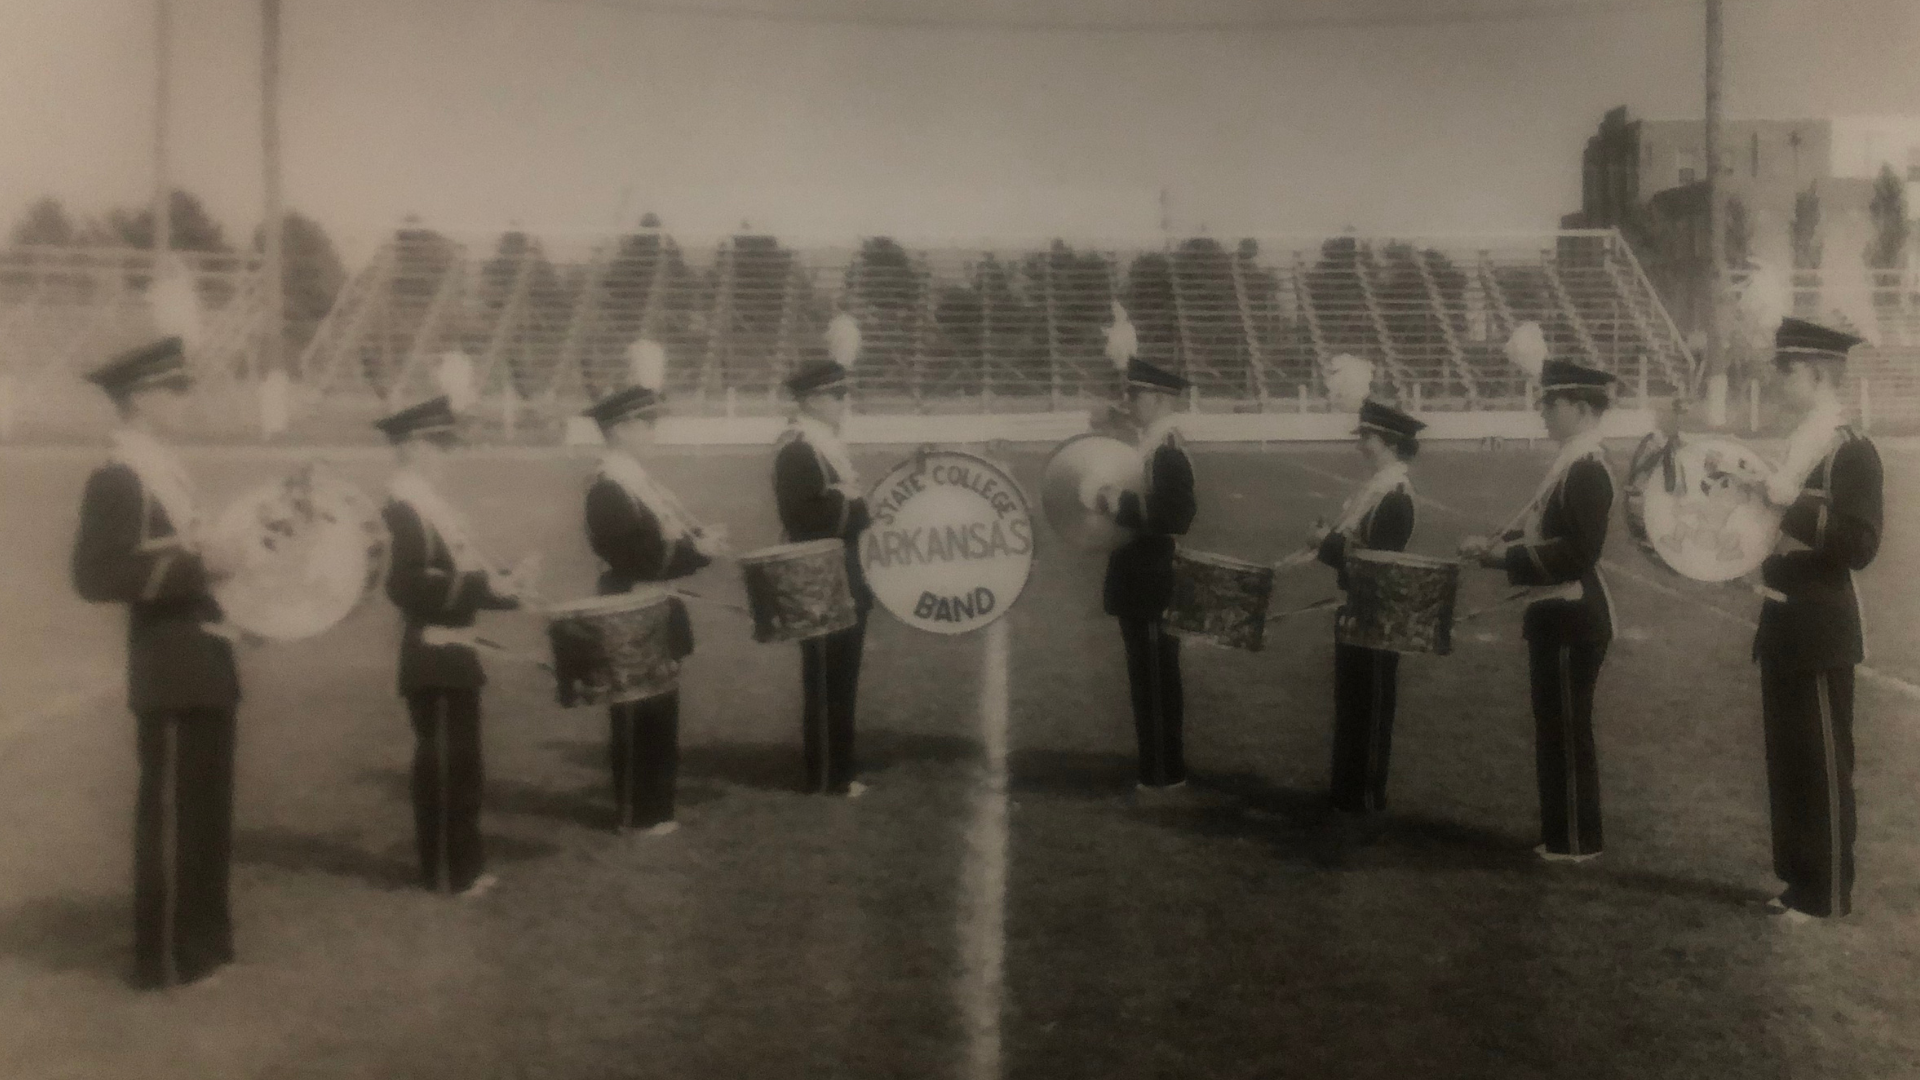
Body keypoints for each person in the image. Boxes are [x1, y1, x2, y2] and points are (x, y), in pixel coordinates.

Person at [70, 336, 245, 990]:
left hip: (205, 656)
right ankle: (169, 959)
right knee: (172, 816)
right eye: (173, 389)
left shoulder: (163, 467)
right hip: (167, 666)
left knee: (206, 812)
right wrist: (200, 566)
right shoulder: (117, 474)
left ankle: (207, 945)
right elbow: (93, 574)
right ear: (139, 398)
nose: (183, 400)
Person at [1460, 358, 1618, 863]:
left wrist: (1499, 557)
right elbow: (1539, 531)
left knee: (1568, 729)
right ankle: (1561, 836)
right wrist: (1494, 543)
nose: (1542, 412)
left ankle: (1576, 841)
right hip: (1556, 612)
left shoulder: (1588, 468)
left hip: (1574, 613)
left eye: (1550, 403)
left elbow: (1578, 552)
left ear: (1579, 407)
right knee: (1554, 726)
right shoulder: (1572, 462)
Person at [1753, 317, 1882, 923]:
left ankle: (1826, 893)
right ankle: (1797, 881)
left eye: (1787, 371)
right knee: (1789, 762)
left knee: (1824, 766)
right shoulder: (1803, 441)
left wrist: (1786, 504)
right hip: (1784, 619)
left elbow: (1858, 544)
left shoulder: (1851, 447)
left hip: (1823, 627)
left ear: (1817, 374)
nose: (1778, 380)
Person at [377, 396, 527, 897]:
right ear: (413, 447)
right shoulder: (402, 508)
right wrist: (485, 585)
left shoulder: (426, 506)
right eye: (440, 446)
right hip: (431, 649)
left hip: (453, 649)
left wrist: (506, 586)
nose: (449, 456)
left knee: (464, 765)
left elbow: (461, 573)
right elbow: (406, 584)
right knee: (444, 766)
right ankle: (446, 871)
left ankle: (462, 865)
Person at [583, 381, 725, 835]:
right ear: (621, 429)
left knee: (660, 709)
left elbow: (663, 542)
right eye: (646, 423)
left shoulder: (636, 481)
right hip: (629, 606)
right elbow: (635, 556)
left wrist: (697, 544)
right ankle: (635, 814)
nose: (653, 430)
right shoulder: (609, 487)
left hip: (652, 602)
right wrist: (699, 552)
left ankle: (656, 809)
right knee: (635, 713)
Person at [1307, 399, 1423, 814]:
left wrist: (1325, 543)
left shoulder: (1394, 495)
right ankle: (1347, 793)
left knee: (1370, 706)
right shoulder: (1379, 488)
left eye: (1367, 438)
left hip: (1377, 614)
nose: (1361, 446)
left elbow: (1372, 561)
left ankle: (1366, 797)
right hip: (1359, 607)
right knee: (1352, 702)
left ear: (1389, 442)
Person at [1097, 354, 1197, 793]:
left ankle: (1164, 773)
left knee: (1155, 678)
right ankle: (1156, 767)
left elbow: (1176, 515)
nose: (1129, 401)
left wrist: (1118, 503)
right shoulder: (1151, 445)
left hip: (1152, 575)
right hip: (1140, 574)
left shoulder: (1166, 449)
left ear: (1158, 399)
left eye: (1135, 394)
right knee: (1147, 677)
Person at [773, 357, 872, 796]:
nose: (844, 402)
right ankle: (829, 773)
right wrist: (858, 507)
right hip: (819, 574)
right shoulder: (798, 448)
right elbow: (805, 517)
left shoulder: (821, 443)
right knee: (829, 676)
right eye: (836, 395)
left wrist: (852, 502)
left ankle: (837, 768)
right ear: (811, 400)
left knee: (841, 674)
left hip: (837, 569)